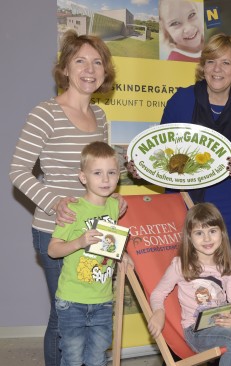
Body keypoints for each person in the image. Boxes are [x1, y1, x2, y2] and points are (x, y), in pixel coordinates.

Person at [9, 30, 127, 366]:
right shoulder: (45, 113)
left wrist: (114, 198)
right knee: (65, 316)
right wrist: (54, 202)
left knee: (95, 312)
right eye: (80, 61)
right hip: (56, 230)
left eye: (97, 62)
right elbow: (18, 172)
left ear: (105, 72)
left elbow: (100, 169)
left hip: (97, 230)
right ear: (65, 69)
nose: (89, 69)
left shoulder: (100, 117)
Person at [129, 33, 231, 240]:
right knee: (180, 265)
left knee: (219, 265)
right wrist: (142, 166)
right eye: (211, 62)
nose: (217, 69)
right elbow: (161, 151)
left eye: (225, 62)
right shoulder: (181, 100)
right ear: (203, 67)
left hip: (225, 203)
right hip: (180, 199)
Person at [148, 202, 231, 366]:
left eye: (212, 231)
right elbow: (158, 293)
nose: (207, 238)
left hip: (226, 325)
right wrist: (158, 312)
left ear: (222, 233)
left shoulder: (226, 266)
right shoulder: (181, 265)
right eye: (199, 233)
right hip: (197, 331)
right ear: (189, 237)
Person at [48, 141, 126, 366]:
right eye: (97, 173)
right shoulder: (72, 209)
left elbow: (111, 243)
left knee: (97, 358)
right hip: (72, 301)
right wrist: (80, 242)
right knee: (72, 358)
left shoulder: (113, 206)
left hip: (103, 300)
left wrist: (123, 255)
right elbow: (53, 250)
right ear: (83, 177)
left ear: (118, 176)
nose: (105, 179)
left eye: (111, 173)